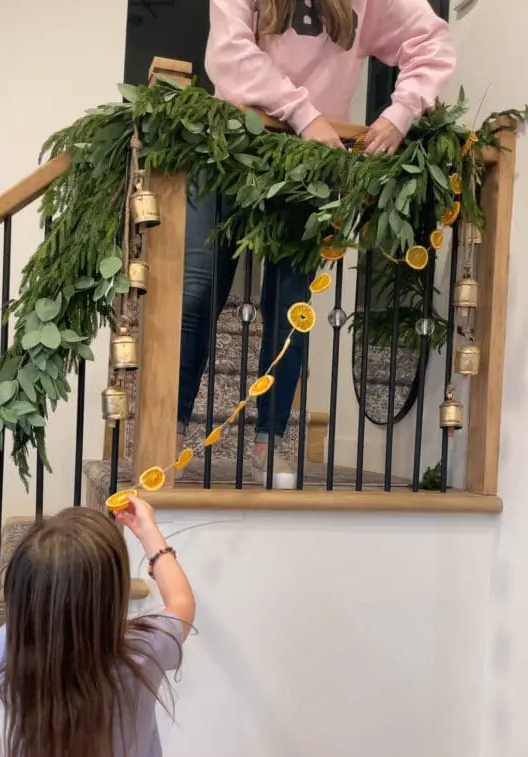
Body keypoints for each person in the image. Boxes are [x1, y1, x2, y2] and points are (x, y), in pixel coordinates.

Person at [178, 0, 455, 488]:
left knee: (291, 304)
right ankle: (170, 427)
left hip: (310, 165)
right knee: (197, 290)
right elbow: (228, 51)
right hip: (226, 147)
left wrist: (401, 112)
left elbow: (431, 40)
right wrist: (304, 114)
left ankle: (270, 441)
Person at [0, 499, 195, 757]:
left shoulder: (8, 648)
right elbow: (181, 603)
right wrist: (149, 533)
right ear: (113, 595)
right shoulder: (143, 650)